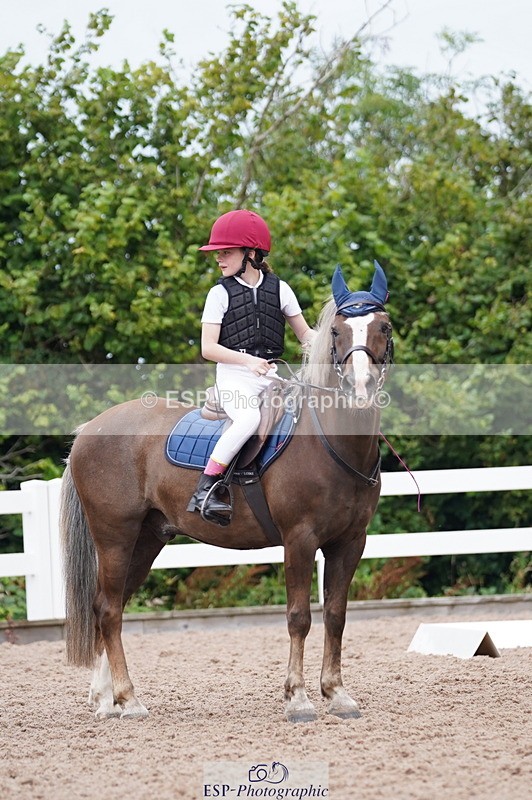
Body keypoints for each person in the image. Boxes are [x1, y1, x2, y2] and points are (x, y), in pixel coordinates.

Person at [187, 209, 315, 522]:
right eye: (218, 253)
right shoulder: (218, 293)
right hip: (234, 377)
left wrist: (337, 339)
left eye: (226, 252)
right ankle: (206, 488)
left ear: (251, 253)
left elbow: (306, 335)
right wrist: (247, 360)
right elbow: (208, 348)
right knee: (247, 420)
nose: (219, 258)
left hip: (271, 375)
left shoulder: (280, 289)